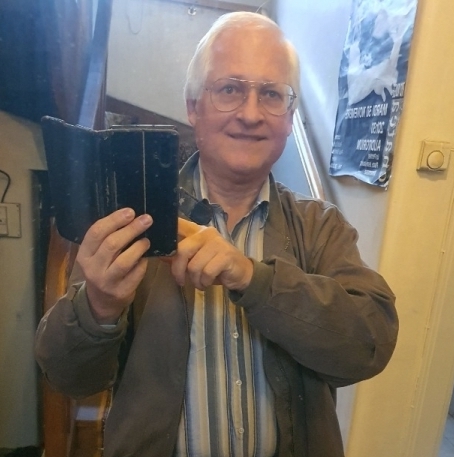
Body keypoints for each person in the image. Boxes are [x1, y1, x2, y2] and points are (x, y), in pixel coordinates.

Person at [35, 11, 398, 457]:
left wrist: (252, 277)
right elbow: (67, 377)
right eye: (229, 89)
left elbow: (369, 346)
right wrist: (99, 307)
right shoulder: (130, 218)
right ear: (193, 107)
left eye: (271, 94)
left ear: (289, 117)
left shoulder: (320, 226)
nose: (251, 114)